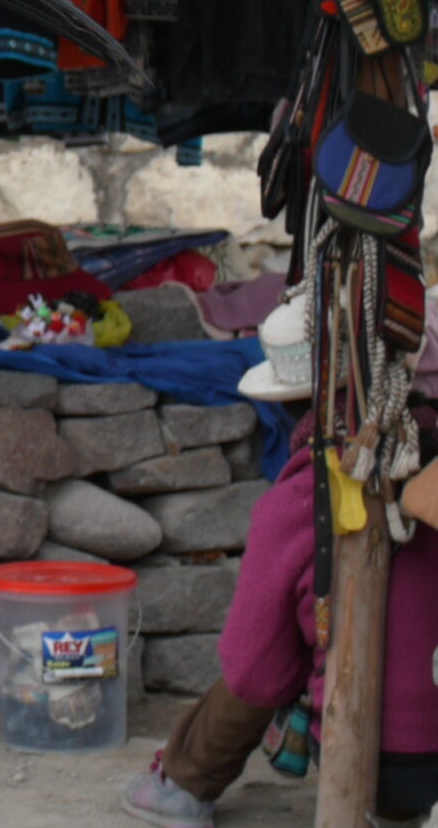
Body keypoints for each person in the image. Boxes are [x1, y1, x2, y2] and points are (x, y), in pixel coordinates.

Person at [122, 296, 438, 827]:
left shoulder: (301, 497)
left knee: (265, 653)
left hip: (389, 764)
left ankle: (181, 786)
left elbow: (255, 672)